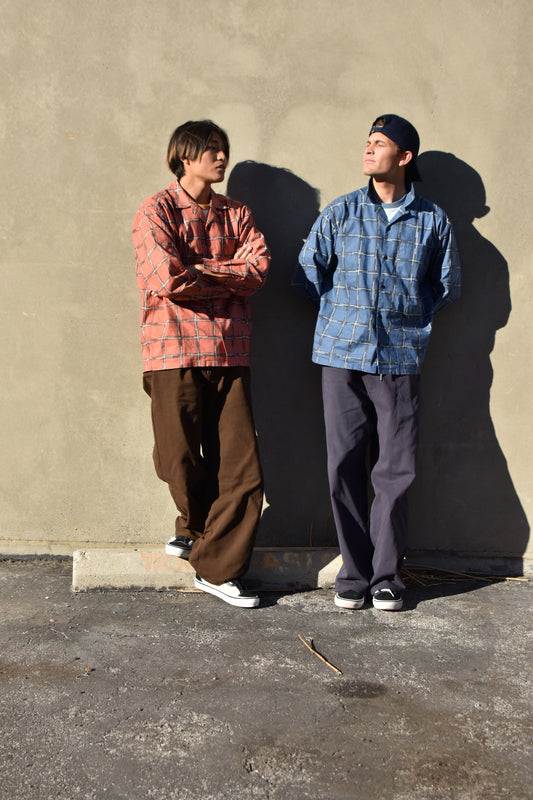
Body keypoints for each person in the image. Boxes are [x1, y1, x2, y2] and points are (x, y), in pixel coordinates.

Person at [296, 114, 460, 611]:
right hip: (340, 356)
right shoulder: (341, 212)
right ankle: (353, 574)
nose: (369, 149)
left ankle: (387, 577)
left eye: (380, 143)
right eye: (367, 141)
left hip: (399, 360)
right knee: (343, 465)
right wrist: (343, 315)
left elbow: (446, 286)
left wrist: (408, 320)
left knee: (396, 470)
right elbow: (308, 271)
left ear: (404, 157)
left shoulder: (433, 221)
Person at [132, 120, 270, 608]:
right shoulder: (156, 210)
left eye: (223, 148)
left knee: (242, 470)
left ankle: (217, 568)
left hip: (231, 352)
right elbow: (166, 278)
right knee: (178, 458)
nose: (221, 156)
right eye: (211, 149)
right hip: (172, 350)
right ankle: (195, 528)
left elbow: (257, 271)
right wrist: (226, 278)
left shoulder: (238, 213)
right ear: (184, 156)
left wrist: (201, 270)